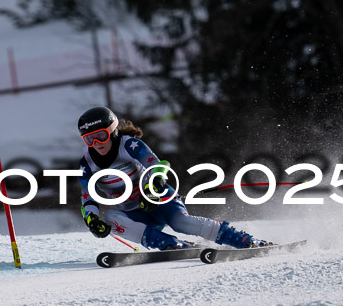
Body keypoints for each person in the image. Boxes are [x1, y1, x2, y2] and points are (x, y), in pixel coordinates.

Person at [77, 106, 271, 250]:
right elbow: (88, 196)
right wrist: (92, 219)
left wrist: (151, 190)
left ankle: (243, 240)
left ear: (113, 130)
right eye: (89, 139)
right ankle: (169, 244)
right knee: (111, 218)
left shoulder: (129, 145)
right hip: (136, 213)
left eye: (101, 136)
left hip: (158, 199)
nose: (96, 143)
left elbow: (158, 166)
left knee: (181, 223)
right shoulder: (87, 163)